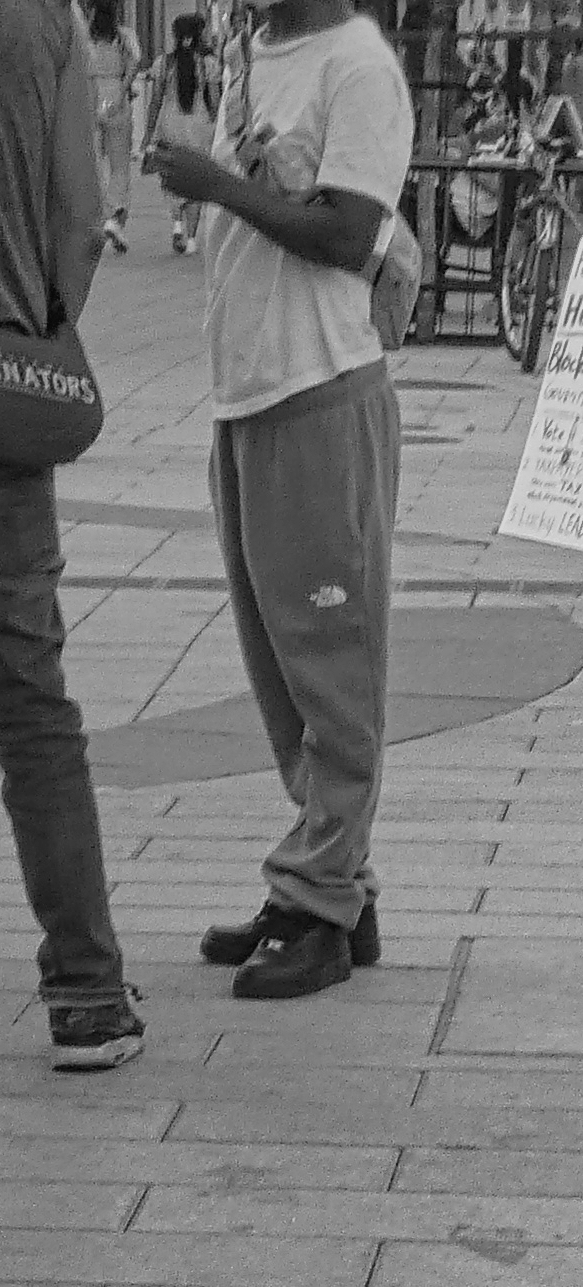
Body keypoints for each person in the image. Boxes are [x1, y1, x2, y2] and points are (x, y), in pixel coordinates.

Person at [149, 0, 412, 1004]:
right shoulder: (256, 51)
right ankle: (332, 878)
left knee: (330, 662)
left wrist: (217, 185)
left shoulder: (359, 66)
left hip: (320, 385)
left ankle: (322, 899)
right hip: (252, 391)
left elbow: (350, 234)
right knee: (279, 664)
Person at [0, 0, 140, 1068]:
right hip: (1, 392)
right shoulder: (40, 19)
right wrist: (43, 328)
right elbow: (79, 220)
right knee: (30, 699)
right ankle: (86, 995)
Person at [149, 15, 221, 251]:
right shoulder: (208, 64)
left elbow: (156, 100)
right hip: (199, 127)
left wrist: (148, 132)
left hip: (170, 126)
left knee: (171, 176)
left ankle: (177, 224)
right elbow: (214, 100)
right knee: (197, 178)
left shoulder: (163, 63)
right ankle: (191, 239)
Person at [85, 0, 141, 250]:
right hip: (115, 94)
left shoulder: (85, 36)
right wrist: (123, 88)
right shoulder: (124, 36)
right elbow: (135, 62)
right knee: (119, 164)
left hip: (89, 94)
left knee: (93, 160)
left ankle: (96, 213)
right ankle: (115, 212)